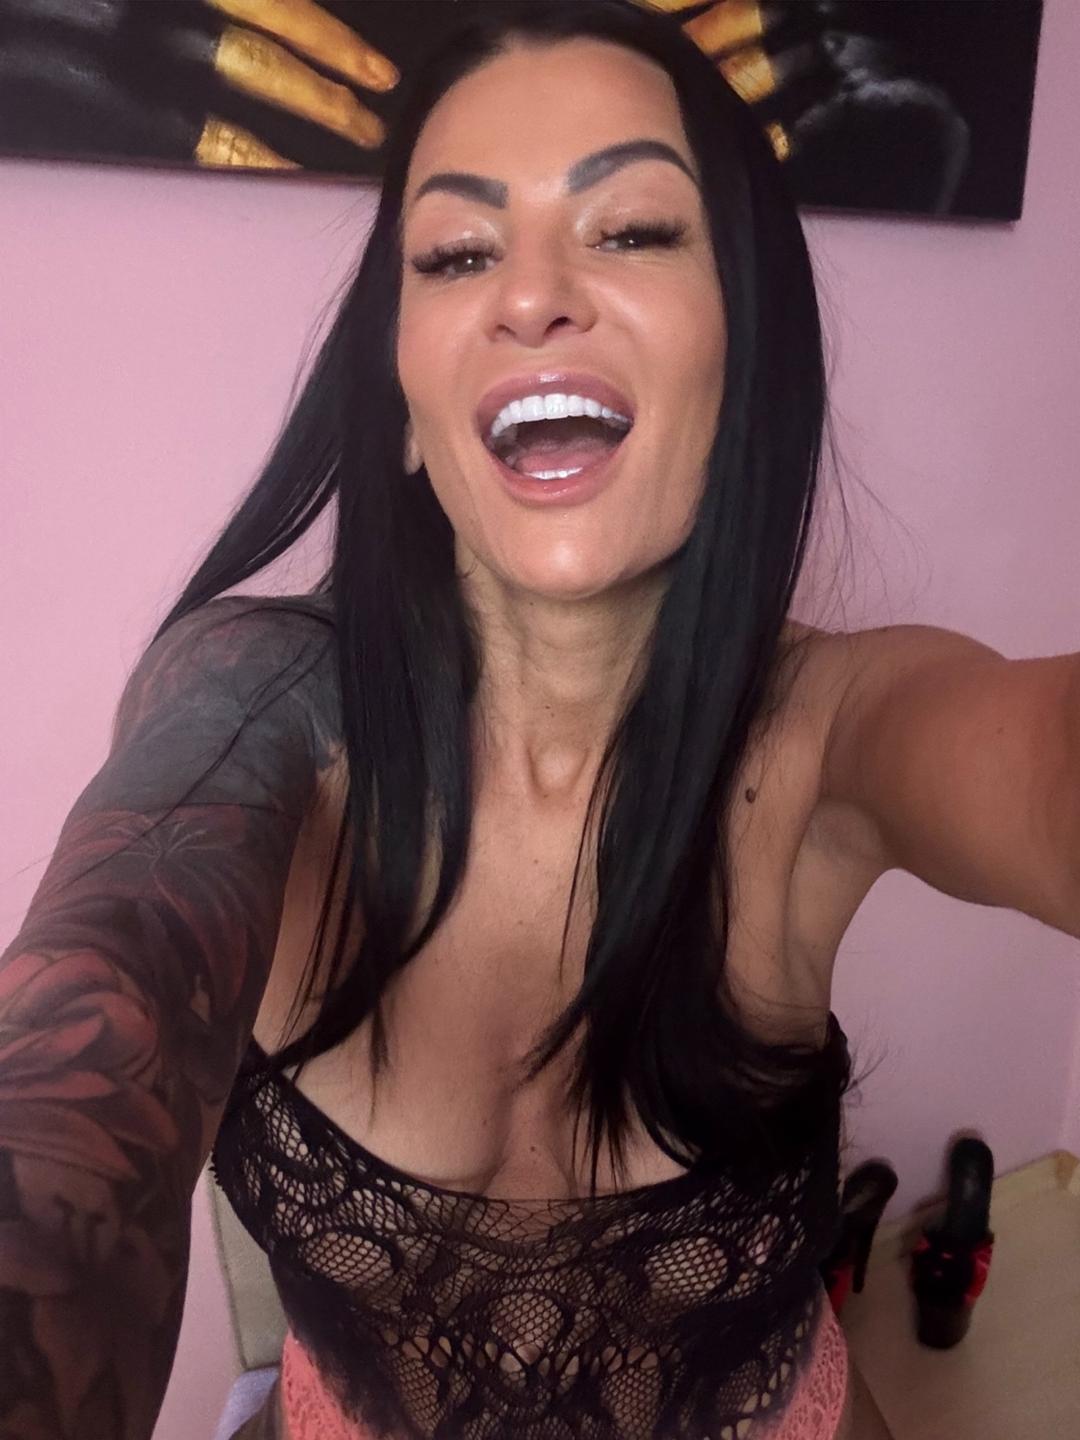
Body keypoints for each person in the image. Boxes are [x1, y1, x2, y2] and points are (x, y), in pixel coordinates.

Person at [1, 3, 1076, 1438]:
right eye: (457, 253)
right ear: (400, 396)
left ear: (745, 353)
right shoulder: (252, 703)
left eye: (631, 230)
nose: (533, 296)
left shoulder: (836, 729)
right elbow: (88, 1023)